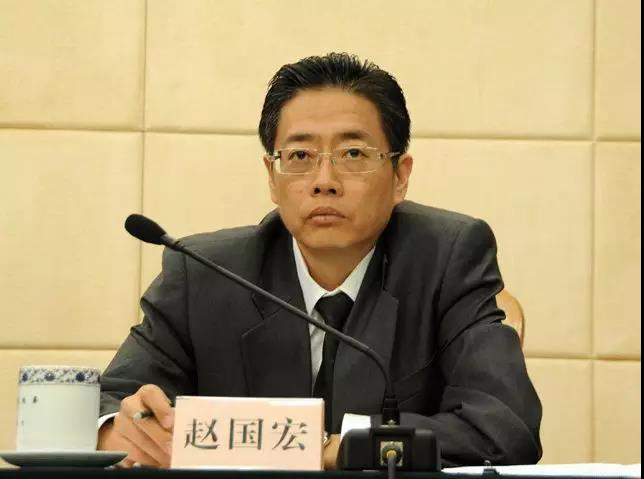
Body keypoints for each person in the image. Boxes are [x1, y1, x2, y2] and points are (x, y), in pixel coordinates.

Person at [97, 52, 542, 469]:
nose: (324, 181)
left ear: (400, 176)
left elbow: (504, 428)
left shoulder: (448, 259)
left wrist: (335, 446)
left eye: (353, 154)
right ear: (272, 177)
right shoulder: (205, 273)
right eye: (300, 157)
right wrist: (119, 428)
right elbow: (107, 403)